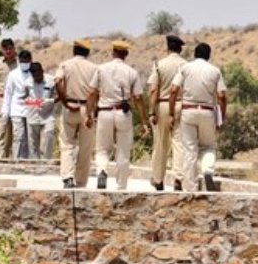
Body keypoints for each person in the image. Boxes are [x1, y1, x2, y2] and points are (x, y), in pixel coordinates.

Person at [168, 41, 228, 192]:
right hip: (207, 111)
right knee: (208, 146)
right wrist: (222, 117)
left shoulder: (185, 68)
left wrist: (170, 113)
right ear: (209, 55)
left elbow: (174, 90)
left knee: (189, 149)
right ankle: (207, 170)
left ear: (195, 54)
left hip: (188, 111)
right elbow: (221, 96)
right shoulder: (215, 71)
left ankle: (191, 188)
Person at [89, 39, 148, 191]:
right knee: (123, 150)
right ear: (126, 54)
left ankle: (102, 170)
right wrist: (143, 122)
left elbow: (92, 92)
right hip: (123, 112)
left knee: (102, 148)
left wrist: (89, 113)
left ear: (113, 52)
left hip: (104, 112)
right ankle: (121, 185)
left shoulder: (101, 69)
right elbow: (138, 98)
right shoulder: (131, 72)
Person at [54, 39, 98, 188]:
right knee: (86, 147)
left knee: (67, 143)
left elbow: (58, 82)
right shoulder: (94, 68)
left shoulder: (66, 65)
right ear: (88, 52)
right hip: (87, 108)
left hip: (70, 106)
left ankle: (67, 176)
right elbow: (96, 91)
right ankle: (80, 181)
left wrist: (64, 101)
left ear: (74, 50)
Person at [147, 34, 187, 191]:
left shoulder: (159, 64)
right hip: (182, 105)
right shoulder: (186, 65)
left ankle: (158, 179)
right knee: (179, 144)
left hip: (163, 105)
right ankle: (179, 177)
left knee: (161, 144)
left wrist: (151, 112)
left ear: (167, 47)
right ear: (180, 49)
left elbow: (152, 90)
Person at [1, 49, 35, 158]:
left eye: (27, 61)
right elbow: (8, 93)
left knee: (31, 138)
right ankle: (17, 159)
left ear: (30, 60)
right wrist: (5, 111)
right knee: (19, 137)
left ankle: (29, 160)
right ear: (19, 61)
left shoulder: (34, 73)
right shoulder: (13, 74)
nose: (25, 63)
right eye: (22, 61)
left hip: (31, 110)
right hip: (16, 110)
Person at [25, 62, 57, 160]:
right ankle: (35, 165)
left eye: (39, 75)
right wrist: (32, 102)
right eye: (35, 76)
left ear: (42, 71)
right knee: (33, 145)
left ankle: (46, 162)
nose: (37, 78)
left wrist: (49, 101)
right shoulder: (27, 83)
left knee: (48, 137)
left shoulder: (51, 81)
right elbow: (23, 98)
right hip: (32, 116)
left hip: (47, 115)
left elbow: (58, 96)